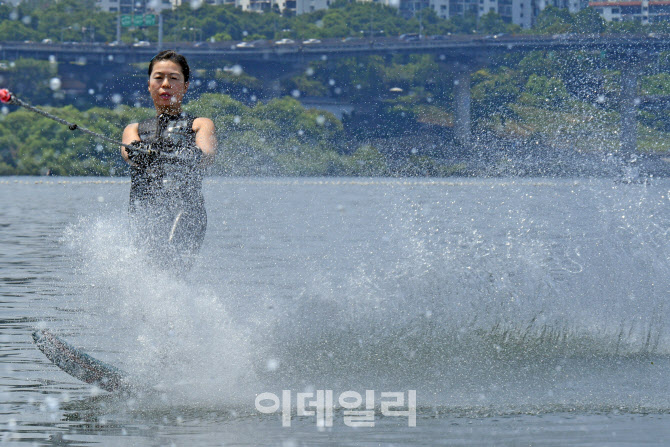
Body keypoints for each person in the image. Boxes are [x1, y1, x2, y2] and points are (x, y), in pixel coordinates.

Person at [121, 50, 216, 272]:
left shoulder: (200, 125)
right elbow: (128, 153)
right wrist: (138, 151)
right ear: (149, 85)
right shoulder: (133, 129)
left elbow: (207, 155)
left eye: (174, 79)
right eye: (158, 78)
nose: (165, 84)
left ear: (185, 86)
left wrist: (191, 154)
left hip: (186, 213)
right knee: (147, 272)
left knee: (171, 269)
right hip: (144, 214)